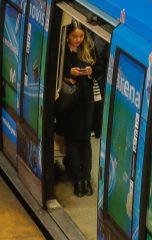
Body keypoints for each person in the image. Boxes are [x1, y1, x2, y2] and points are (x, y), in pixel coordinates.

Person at [58, 20, 95, 197]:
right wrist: (68, 73)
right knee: (72, 141)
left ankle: (86, 179)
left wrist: (90, 72)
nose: (78, 40)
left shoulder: (89, 51)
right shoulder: (61, 52)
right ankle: (78, 179)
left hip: (85, 102)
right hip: (69, 103)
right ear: (67, 36)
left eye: (81, 36)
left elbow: (100, 69)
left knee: (85, 141)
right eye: (75, 36)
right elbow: (55, 70)